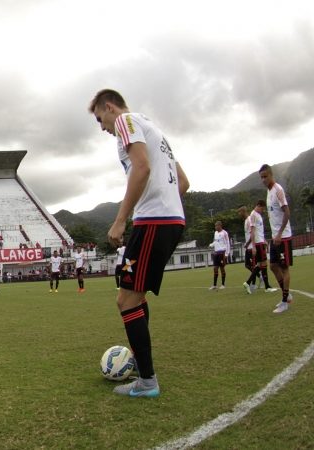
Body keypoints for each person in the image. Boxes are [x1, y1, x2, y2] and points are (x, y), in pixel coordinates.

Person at [90, 89, 189, 398]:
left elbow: (142, 167)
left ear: (109, 107)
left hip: (153, 222)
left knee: (126, 300)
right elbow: (183, 182)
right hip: (170, 220)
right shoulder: (154, 129)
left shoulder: (125, 122)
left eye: (99, 118)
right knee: (132, 296)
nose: (102, 127)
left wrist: (122, 219)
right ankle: (143, 367)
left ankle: (147, 380)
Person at [260, 164, 293, 313]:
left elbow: (287, 212)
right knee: (273, 265)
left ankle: (285, 301)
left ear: (271, 175)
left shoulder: (278, 190)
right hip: (275, 238)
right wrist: (273, 236)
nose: (263, 180)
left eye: (265, 176)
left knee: (284, 268)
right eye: (261, 177)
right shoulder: (268, 192)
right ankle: (287, 294)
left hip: (283, 237)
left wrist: (279, 233)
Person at [239, 201, 275, 294]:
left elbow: (259, 231)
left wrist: (265, 241)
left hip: (260, 242)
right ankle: (266, 287)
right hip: (258, 244)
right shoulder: (253, 215)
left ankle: (249, 283)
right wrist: (254, 246)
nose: (263, 211)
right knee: (263, 264)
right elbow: (253, 231)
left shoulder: (258, 215)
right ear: (258, 206)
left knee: (260, 265)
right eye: (262, 208)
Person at [209, 221, 230, 290]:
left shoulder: (224, 233)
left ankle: (223, 284)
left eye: (216, 226)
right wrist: (211, 245)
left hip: (222, 253)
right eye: (215, 226)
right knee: (215, 268)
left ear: (220, 226)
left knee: (222, 269)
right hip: (216, 253)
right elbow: (215, 241)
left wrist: (227, 253)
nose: (215, 227)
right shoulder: (215, 233)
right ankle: (214, 285)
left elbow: (227, 243)